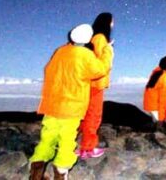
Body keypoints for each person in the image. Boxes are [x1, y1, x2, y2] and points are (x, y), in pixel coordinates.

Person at [29, 24, 113, 180]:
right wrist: (108, 50)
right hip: (71, 107)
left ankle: (36, 172)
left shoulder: (60, 51)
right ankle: (61, 173)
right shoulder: (84, 55)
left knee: (47, 137)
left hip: (52, 105)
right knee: (67, 141)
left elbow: (47, 70)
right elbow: (101, 69)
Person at [77, 12, 115, 159]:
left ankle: (82, 146)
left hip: (90, 83)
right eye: (112, 21)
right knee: (93, 115)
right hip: (95, 83)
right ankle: (88, 148)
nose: (113, 24)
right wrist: (108, 49)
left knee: (87, 114)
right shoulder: (100, 39)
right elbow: (100, 64)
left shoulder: (95, 38)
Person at [143, 45, 166, 122]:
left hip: (149, 105)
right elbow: (164, 101)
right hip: (156, 111)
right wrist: (162, 119)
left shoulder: (156, 71)